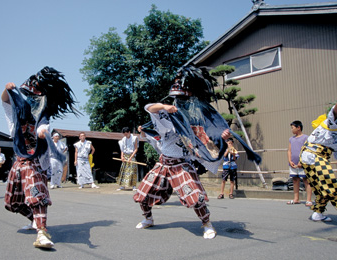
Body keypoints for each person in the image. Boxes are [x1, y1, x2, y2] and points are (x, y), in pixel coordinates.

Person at [134, 66, 261, 239]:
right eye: (176, 99)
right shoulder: (165, 113)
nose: (179, 102)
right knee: (144, 193)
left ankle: (207, 223)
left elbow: (209, 140)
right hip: (163, 162)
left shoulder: (196, 121)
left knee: (195, 196)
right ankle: (148, 218)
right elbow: (149, 107)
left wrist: (222, 137)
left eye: (182, 100)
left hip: (182, 164)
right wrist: (166, 107)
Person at [1, 66, 79, 248]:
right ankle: (35, 219)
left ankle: (42, 232)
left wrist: (43, 133)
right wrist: (7, 88)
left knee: (37, 195)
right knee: (12, 202)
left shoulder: (42, 116)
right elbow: (6, 99)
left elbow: (43, 128)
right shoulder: (16, 113)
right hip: (18, 161)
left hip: (35, 162)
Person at [300, 104, 337, 222]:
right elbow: (335, 111)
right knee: (330, 184)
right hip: (314, 154)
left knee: (321, 187)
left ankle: (318, 213)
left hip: (316, 156)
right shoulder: (332, 122)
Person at [287, 121, 312, 206]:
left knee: (306, 180)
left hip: (303, 164)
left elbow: (307, 150)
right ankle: (296, 199)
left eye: (292, 127)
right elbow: (289, 151)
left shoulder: (306, 138)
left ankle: (308, 200)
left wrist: (302, 161)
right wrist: (290, 161)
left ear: (298, 127)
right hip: (293, 164)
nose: (291, 129)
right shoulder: (291, 139)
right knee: (295, 180)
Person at [117, 127, 138, 191]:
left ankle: (134, 186)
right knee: (123, 170)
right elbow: (122, 149)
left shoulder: (134, 138)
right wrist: (122, 156)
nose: (125, 135)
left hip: (132, 156)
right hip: (125, 156)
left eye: (126, 134)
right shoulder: (123, 139)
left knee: (132, 171)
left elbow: (136, 149)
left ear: (129, 132)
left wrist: (131, 157)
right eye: (124, 134)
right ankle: (123, 186)